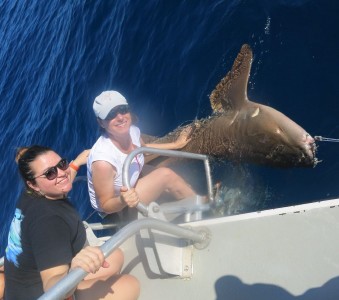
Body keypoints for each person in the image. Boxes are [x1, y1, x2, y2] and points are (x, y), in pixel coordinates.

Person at [4, 145, 139, 300]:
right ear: (33, 184)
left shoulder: (31, 195)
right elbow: (51, 286)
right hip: (47, 294)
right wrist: (75, 269)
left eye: (62, 164)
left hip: (19, 289)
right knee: (130, 285)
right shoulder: (49, 223)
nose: (62, 173)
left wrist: (76, 163)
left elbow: (58, 182)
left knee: (115, 256)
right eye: (50, 173)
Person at [87, 90, 200, 216]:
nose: (120, 117)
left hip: (132, 180)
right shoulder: (103, 162)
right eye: (111, 114)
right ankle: (203, 206)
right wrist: (123, 200)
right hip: (119, 207)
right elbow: (105, 205)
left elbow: (144, 148)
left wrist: (176, 145)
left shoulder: (133, 131)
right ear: (101, 122)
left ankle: (191, 197)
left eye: (123, 109)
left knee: (178, 177)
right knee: (166, 175)